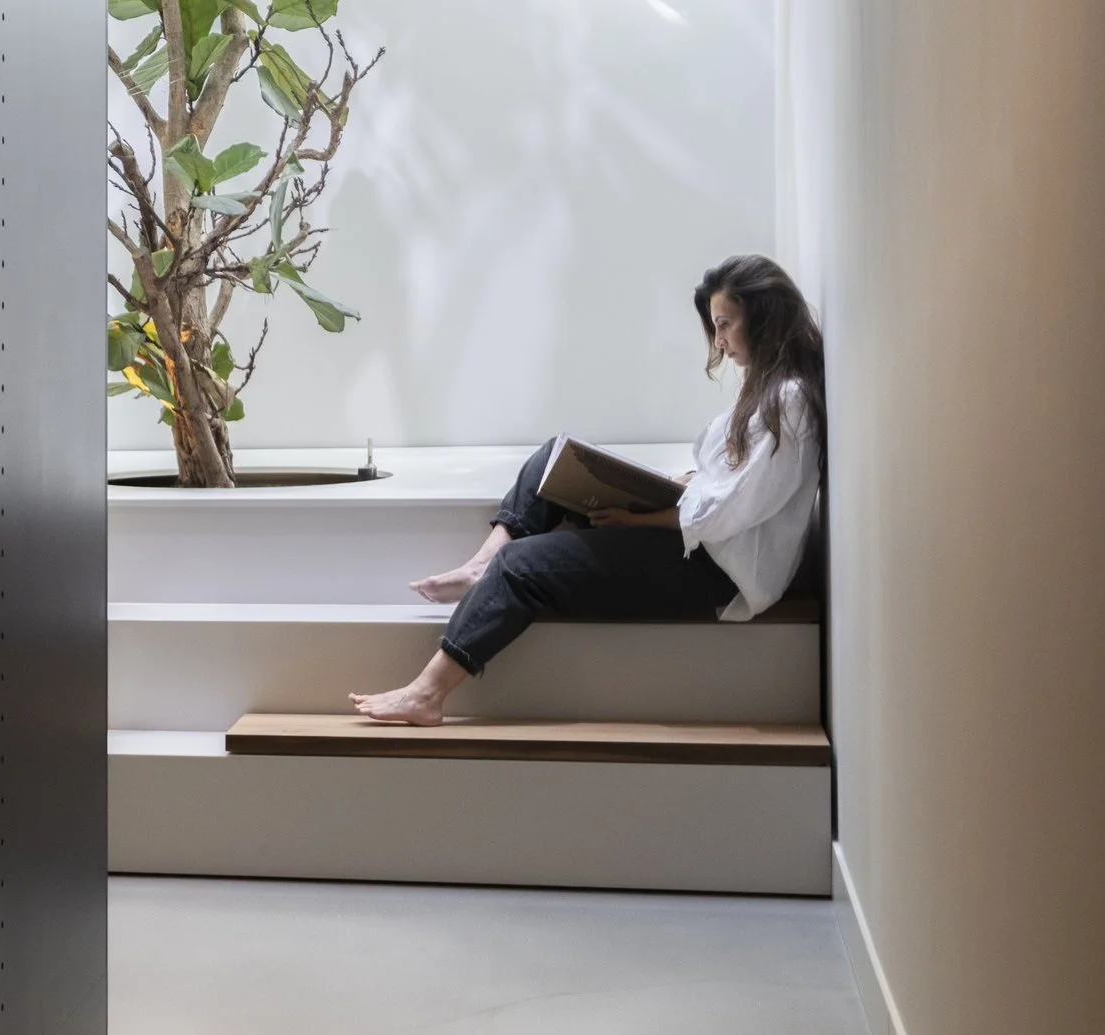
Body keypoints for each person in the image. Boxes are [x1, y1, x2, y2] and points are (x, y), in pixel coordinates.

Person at [349, 255, 827, 726]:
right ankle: (481, 565)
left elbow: (727, 512)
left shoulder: (788, 401)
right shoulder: (767, 387)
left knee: (520, 568)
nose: (719, 340)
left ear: (763, 319)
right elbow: (726, 484)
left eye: (725, 324)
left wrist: (639, 519)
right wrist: (671, 486)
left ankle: (426, 694)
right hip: (702, 542)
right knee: (552, 459)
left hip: (717, 570)